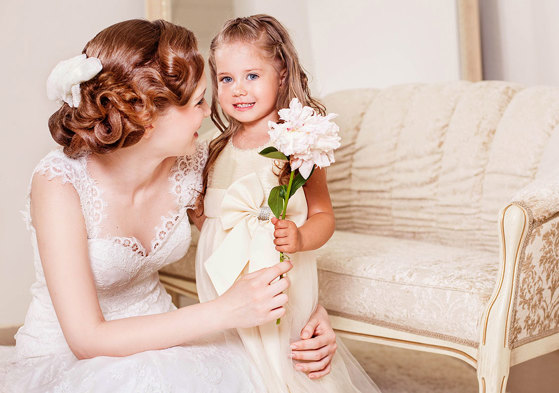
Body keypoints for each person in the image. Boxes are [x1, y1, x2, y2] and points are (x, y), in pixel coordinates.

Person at [0, 19, 338, 393]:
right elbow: (87, 340)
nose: (211, 112)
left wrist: (304, 313)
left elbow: (245, 240)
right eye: (198, 101)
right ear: (146, 116)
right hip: (70, 359)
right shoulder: (59, 184)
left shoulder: (191, 162)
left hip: (167, 338)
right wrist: (225, 311)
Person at [194, 14, 381, 392]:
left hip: (277, 273)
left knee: (278, 356)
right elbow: (216, 214)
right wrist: (202, 218)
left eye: (252, 76)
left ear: (281, 74)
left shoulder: (299, 142)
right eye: (226, 79)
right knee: (233, 358)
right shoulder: (215, 147)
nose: (238, 90)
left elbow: (324, 215)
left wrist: (299, 237)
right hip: (222, 275)